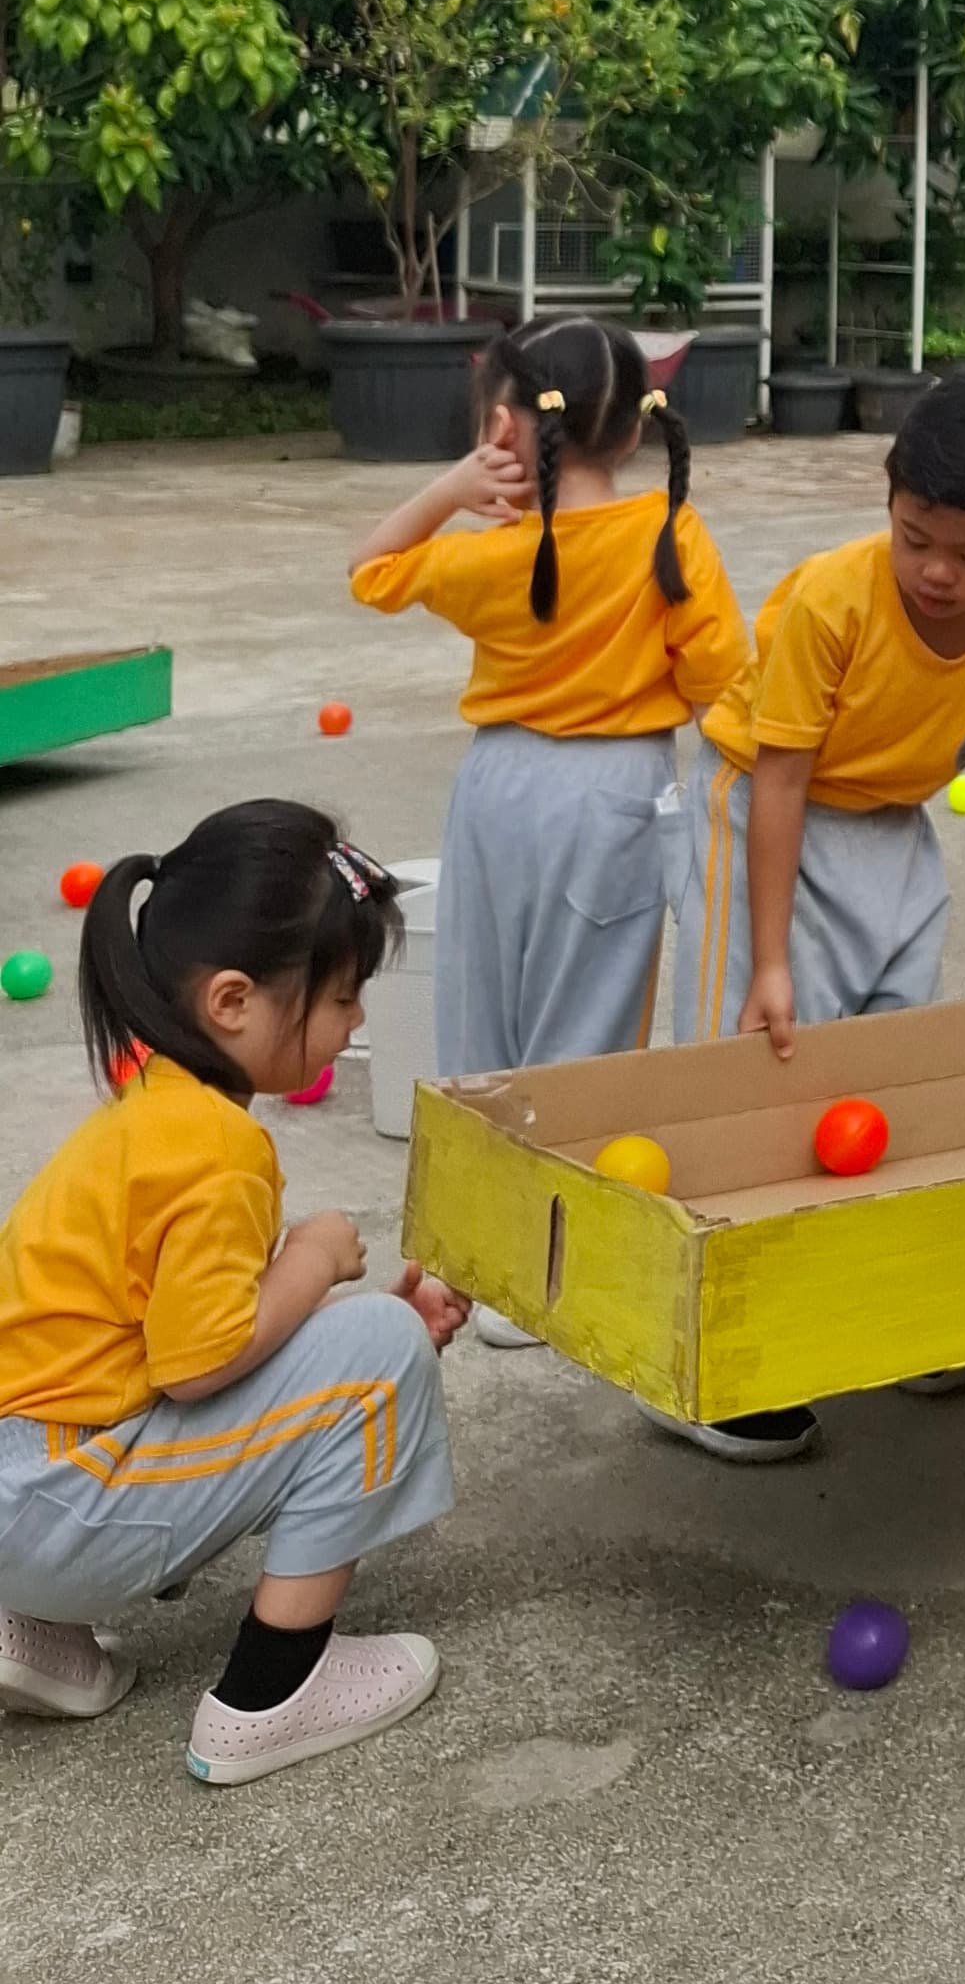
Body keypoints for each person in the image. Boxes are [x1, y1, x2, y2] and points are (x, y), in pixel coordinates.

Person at [675, 362, 965, 1461]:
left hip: (890, 828)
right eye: (916, 535)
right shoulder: (833, 598)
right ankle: (701, 1361)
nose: (936, 571)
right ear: (891, 493)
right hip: (763, 822)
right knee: (758, 1076)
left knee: (886, 1076)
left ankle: (873, 1308)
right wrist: (768, 960)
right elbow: (779, 778)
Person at [0, 807, 468, 1786]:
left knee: (373, 1342)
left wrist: (334, 1334)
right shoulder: (218, 1147)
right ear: (232, 1000)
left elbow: (183, 1324)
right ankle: (270, 1696)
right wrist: (318, 1260)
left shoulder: (152, 1111)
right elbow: (199, 1362)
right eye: (342, 997)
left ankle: (36, 1635)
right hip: (52, 1501)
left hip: (23, 1484)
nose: (358, 1023)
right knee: (379, 1344)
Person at [352, 313, 747, 1347]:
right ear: (637, 429)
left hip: (496, 788)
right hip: (615, 791)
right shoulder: (670, 535)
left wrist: (451, 486)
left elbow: (374, 572)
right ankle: (548, 1265)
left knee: (479, 1010)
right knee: (588, 1023)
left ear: (506, 423)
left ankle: (476, 1252)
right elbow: (724, 689)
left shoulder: (496, 555)